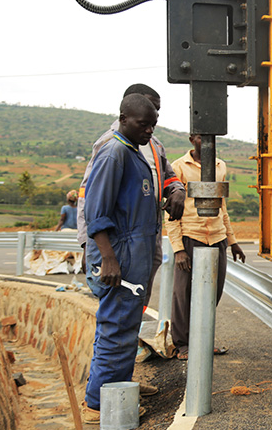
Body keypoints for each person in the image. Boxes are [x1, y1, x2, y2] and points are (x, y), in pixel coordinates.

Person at [81, 94, 160, 423]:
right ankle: (99, 405)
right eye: (143, 125)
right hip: (120, 257)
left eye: (153, 125)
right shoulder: (114, 152)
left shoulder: (132, 151)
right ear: (124, 119)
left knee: (126, 326)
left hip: (133, 254)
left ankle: (119, 389)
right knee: (116, 328)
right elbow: (95, 211)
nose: (149, 131)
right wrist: (109, 259)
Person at [76, 84, 185, 304]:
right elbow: (90, 199)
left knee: (138, 297)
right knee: (117, 304)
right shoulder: (110, 146)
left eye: (155, 114)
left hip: (147, 238)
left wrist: (177, 190)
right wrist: (90, 246)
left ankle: (132, 335)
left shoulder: (154, 144)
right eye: (147, 114)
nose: (151, 126)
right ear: (127, 115)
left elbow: (167, 176)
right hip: (118, 242)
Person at [166, 133, 245, 360]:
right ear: (192, 139)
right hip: (191, 234)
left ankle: (203, 339)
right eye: (201, 137)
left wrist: (233, 242)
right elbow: (171, 213)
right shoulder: (178, 167)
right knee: (184, 294)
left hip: (217, 236)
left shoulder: (221, 166)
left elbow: (222, 206)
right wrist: (179, 249)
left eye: (211, 137)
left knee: (213, 292)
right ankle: (183, 345)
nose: (207, 141)